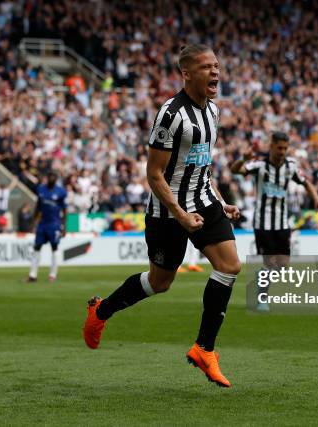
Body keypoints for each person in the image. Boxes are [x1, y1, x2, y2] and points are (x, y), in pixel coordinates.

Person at [83, 44, 241, 388]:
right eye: (206, 67)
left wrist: (219, 199)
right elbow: (154, 174)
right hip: (166, 211)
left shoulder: (212, 111)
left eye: (216, 65)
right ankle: (101, 310)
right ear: (187, 74)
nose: (215, 72)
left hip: (203, 200)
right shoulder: (171, 114)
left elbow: (201, 165)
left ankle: (204, 349)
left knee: (229, 266)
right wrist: (179, 214)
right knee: (160, 283)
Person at [231, 132, 318, 311]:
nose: (282, 151)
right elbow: (235, 170)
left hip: (282, 223)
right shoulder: (259, 165)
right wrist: (242, 159)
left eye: (285, 148)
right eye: (279, 147)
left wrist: (317, 200)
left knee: (282, 265)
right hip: (262, 223)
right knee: (269, 262)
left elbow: (306, 182)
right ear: (272, 146)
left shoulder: (290, 166)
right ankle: (262, 299)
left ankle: (263, 276)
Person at [26, 171, 67, 283]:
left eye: (54, 176)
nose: (52, 178)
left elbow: (64, 210)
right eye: (50, 176)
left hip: (54, 224)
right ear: (47, 177)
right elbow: (38, 207)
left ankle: (52, 275)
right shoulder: (41, 189)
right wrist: (34, 223)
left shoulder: (61, 192)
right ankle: (32, 275)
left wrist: (64, 226)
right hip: (42, 224)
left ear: (56, 178)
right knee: (36, 247)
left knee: (54, 248)